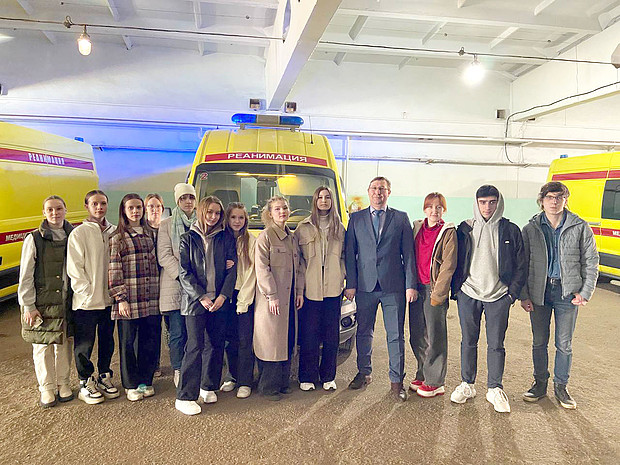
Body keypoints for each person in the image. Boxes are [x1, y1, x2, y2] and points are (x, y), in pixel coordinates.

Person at [520, 181, 599, 409]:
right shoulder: (531, 229)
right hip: (539, 292)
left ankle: (561, 387)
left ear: (565, 200)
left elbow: (591, 261)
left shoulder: (580, 227)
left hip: (567, 293)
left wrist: (585, 292)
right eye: (549, 197)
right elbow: (522, 264)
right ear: (542, 200)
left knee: (564, 344)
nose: (554, 202)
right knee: (539, 341)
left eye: (559, 197)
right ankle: (539, 384)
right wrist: (524, 295)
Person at [450, 185, 526, 413]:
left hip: (499, 296)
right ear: (476, 203)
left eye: (492, 202)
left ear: (498, 203)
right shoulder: (465, 229)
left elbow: (521, 265)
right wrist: (457, 290)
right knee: (468, 341)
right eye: (482, 202)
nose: (487, 207)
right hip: (468, 293)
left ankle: (494, 388)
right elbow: (454, 260)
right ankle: (467, 384)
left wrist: (511, 295)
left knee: (496, 344)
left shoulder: (511, 230)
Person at [344, 176, 417, 402]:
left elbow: (409, 254)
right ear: (368, 191)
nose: (378, 192)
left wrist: (410, 285)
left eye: (382, 189)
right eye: (374, 188)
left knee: (395, 335)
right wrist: (351, 284)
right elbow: (350, 253)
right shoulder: (356, 219)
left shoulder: (401, 218)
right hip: (365, 286)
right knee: (364, 332)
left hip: (393, 287)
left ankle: (396, 382)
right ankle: (364, 372)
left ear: (389, 192)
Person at [175, 196, 237, 416]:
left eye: (217, 213)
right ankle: (185, 397)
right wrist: (201, 296)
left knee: (216, 344)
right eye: (210, 212)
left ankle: (208, 386)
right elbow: (184, 273)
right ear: (202, 212)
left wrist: (223, 296)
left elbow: (232, 271)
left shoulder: (225, 238)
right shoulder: (187, 238)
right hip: (195, 302)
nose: (213, 216)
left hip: (219, 301)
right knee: (194, 347)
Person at [18, 196, 75, 408]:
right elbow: (25, 275)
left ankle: (63, 383)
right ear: (44, 212)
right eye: (50, 209)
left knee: (64, 344)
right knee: (42, 345)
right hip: (41, 302)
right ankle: (46, 388)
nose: (55, 213)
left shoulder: (73, 235)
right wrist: (28, 305)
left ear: (65, 210)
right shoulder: (33, 239)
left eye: (59, 208)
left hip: (65, 300)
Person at [67, 190, 119, 404]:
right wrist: (87, 292)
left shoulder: (114, 231)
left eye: (103, 203)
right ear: (87, 206)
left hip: (109, 301)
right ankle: (85, 381)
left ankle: (105, 375)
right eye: (95, 204)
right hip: (86, 303)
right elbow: (74, 268)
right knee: (84, 345)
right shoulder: (78, 233)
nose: (99, 207)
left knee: (107, 341)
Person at [108, 194, 161, 402]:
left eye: (138, 207)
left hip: (151, 297)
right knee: (128, 343)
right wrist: (120, 298)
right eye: (131, 208)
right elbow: (114, 268)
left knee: (150, 340)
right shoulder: (118, 237)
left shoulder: (151, 234)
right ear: (124, 210)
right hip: (129, 299)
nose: (135, 211)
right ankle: (130, 384)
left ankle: (146, 381)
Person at [295, 186, 345, 392]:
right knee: (310, 334)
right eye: (320, 197)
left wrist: (343, 277)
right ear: (315, 201)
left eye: (327, 197)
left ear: (332, 201)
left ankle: (328, 376)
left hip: (333, 289)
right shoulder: (303, 227)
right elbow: (298, 262)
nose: (324, 201)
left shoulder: (340, 228)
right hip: (311, 289)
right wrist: (299, 290)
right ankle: (307, 376)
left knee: (332, 335)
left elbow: (345, 256)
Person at [254, 196, 304, 401]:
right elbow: (261, 269)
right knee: (271, 342)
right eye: (277, 209)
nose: (282, 211)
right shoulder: (265, 237)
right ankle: (268, 387)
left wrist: (299, 291)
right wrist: (272, 295)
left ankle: (283, 383)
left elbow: (299, 267)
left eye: (284, 208)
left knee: (287, 340)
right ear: (269, 213)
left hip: (290, 299)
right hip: (272, 301)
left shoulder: (292, 238)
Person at [409, 192, 457, 398]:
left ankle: (435, 381)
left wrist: (438, 294)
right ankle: (422, 373)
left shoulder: (448, 232)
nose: (434, 211)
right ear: (424, 209)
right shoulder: (417, 228)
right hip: (416, 288)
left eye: (438, 207)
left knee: (435, 335)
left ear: (443, 210)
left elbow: (448, 265)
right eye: (430, 207)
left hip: (433, 289)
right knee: (417, 335)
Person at [158, 184, 196, 387]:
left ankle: (194, 367)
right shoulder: (167, 224)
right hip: (175, 285)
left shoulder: (202, 222)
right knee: (178, 332)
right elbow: (164, 255)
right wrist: (184, 277)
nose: (188, 201)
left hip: (198, 287)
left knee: (195, 332)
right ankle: (179, 368)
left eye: (191, 197)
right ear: (177, 201)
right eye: (183, 198)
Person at [223, 202, 257, 399]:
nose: (237, 221)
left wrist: (243, 301)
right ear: (227, 218)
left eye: (241, 217)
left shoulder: (251, 241)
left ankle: (245, 381)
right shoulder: (221, 239)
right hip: (225, 295)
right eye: (233, 217)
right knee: (230, 339)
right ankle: (232, 376)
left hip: (244, 295)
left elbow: (252, 273)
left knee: (245, 339)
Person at [144, 193, 164, 378]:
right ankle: (152, 364)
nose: (154, 210)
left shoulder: (167, 228)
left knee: (166, 327)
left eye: (157, 206)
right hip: (148, 285)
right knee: (151, 327)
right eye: (151, 206)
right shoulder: (141, 230)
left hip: (165, 282)